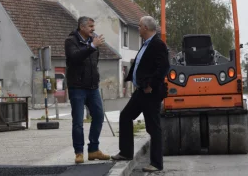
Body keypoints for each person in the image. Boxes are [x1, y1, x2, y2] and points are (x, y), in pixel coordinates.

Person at [111, 16, 170, 172]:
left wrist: (151, 84)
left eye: (139, 26)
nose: (137, 28)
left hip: (151, 92)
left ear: (145, 27)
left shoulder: (157, 44)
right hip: (141, 91)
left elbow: (163, 67)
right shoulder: (145, 44)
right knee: (125, 116)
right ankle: (126, 152)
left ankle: (156, 163)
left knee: (153, 127)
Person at [64, 16, 111, 164]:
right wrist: (92, 46)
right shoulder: (70, 41)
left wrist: (93, 45)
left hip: (92, 87)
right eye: (90, 26)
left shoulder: (93, 40)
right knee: (78, 121)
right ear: (82, 27)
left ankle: (93, 149)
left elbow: (94, 62)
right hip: (77, 87)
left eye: (93, 26)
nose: (93, 29)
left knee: (98, 115)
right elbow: (75, 58)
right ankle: (79, 152)